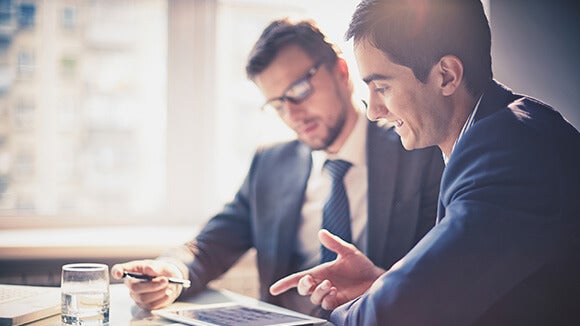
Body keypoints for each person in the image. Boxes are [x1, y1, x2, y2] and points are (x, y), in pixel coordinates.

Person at [269, 0, 580, 324]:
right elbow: (464, 286)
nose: (373, 110)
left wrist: (330, 318)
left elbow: (403, 307)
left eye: (382, 87)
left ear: (446, 75)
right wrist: (380, 284)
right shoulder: (499, 134)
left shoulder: (510, 154)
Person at [110, 18, 444, 317]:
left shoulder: (416, 150)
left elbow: (440, 278)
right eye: (278, 105)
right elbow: (208, 246)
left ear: (341, 72)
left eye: (298, 91)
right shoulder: (271, 164)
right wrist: (168, 272)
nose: (293, 115)